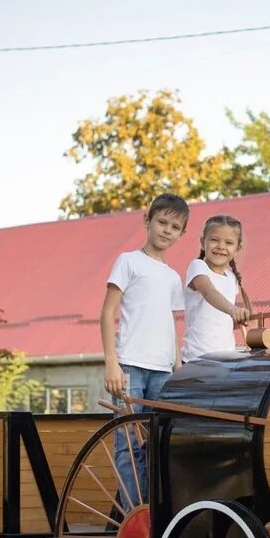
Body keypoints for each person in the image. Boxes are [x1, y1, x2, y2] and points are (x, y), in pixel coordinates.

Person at [100, 193, 189, 511]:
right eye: (162, 222)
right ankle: (137, 516)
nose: (167, 230)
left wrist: (178, 365)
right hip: (129, 366)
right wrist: (112, 362)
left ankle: (158, 510)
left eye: (175, 226)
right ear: (147, 221)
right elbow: (108, 311)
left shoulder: (172, 277)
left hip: (163, 370)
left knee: (159, 445)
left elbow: (170, 322)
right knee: (128, 444)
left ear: (181, 234)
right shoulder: (128, 261)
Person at [181, 214, 252, 363]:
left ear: (237, 248)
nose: (221, 246)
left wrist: (238, 320)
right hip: (198, 358)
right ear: (202, 242)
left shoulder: (232, 277)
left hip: (226, 357)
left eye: (229, 242)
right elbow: (209, 292)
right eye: (214, 240)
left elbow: (219, 320)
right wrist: (233, 310)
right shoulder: (198, 267)